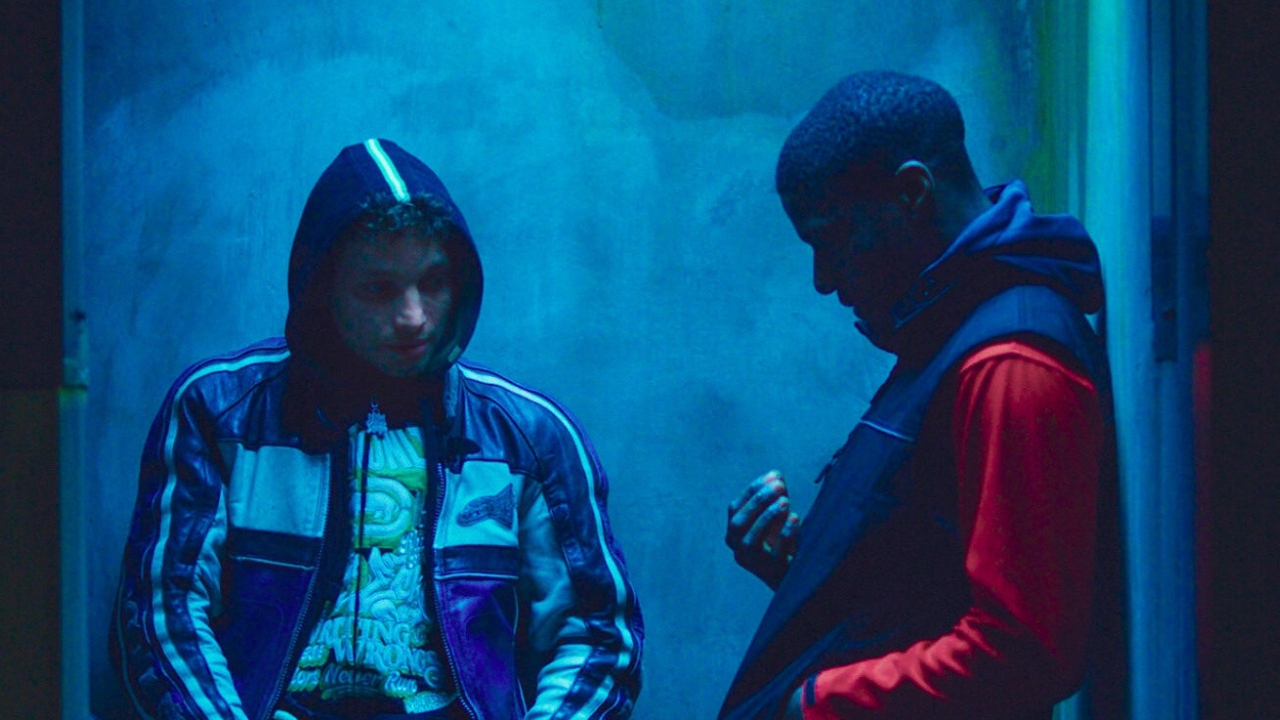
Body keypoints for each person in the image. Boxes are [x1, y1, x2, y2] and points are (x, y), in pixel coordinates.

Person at [111, 139, 644, 720]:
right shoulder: (219, 414)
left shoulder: (531, 439)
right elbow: (163, 614)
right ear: (323, 293)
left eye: (433, 283)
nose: (413, 317)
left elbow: (598, 637)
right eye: (379, 289)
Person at [719, 71, 1125, 719]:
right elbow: (927, 587)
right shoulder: (949, 333)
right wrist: (810, 576)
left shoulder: (1010, 363)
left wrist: (815, 703)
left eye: (833, 239)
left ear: (912, 192)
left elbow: (1022, 650)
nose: (823, 279)